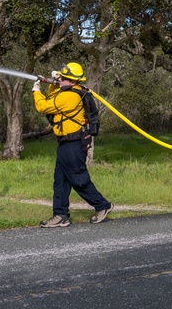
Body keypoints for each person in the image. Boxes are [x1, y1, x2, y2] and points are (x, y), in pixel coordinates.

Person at [32, 62, 112, 228]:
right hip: (65, 143)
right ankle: (60, 215)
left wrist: (36, 91)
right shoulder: (67, 91)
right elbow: (54, 97)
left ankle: (102, 205)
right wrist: (53, 84)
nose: (60, 79)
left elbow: (44, 106)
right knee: (60, 181)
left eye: (63, 77)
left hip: (74, 143)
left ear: (73, 81)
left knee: (78, 179)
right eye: (60, 76)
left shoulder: (70, 96)